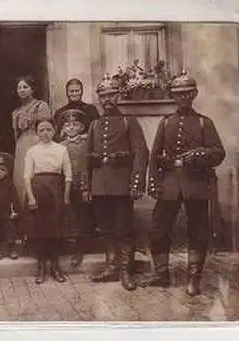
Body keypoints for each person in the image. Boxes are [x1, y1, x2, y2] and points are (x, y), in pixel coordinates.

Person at [140, 70, 225, 296]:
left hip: (196, 184)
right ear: (173, 96)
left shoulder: (204, 122)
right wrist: (154, 182)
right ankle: (161, 274)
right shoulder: (166, 122)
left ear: (194, 94)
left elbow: (219, 153)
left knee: (198, 232)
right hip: (169, 183)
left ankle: (194, 278)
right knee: (158, 229)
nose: (183, 98)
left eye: (187, 93)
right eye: (178, 94)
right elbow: (154, 155)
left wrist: (199, 155)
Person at [87, 74, 149, 291]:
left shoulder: (128, 122)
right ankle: (111, 267)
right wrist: (88, 186)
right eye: (103, 96)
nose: (107, 100)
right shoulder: (94, 124)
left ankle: (126, 271)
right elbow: (88, 157)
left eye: (111, 95)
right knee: (106, 228)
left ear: (118, 96)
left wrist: (136, 183)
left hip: (121, 185)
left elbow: (141, 154)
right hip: (100, 186)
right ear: (99, 99)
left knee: (123, 229)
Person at [24, 119, 72, 284]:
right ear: (37, 132)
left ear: (54, 131)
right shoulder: (32, 151)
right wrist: (30, 197)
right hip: (38, 190)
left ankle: (55, 267)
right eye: (41, 130)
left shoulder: (61, 149)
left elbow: (68, 176)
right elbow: (27, 176)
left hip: (56, 190)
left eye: (48, 129)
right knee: (40, 231)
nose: (45, 133)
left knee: (56, 230)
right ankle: (41, 267)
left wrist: (65, 196)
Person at [57, 108, 92, 268]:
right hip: (64, 186)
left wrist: (86, 187)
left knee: (82, 217)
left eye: (75, 125)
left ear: (81, 128)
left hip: (81, 185)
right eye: (68, 125)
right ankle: (65, 245)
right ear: (63, 128)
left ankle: (80, 248)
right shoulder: (60, 145)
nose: (71, 128)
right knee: (67, 215)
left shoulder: (86, 144)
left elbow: (87, 166)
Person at [12, 76, 52, 208]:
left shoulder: (41, 106)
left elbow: (47, 130)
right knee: (21, 178)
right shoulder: (16, 111)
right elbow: (16, 134)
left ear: (32, 89)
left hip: (37, 142)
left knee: (36, 177)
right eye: (19, 87)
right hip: (21, 145)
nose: (22, 90)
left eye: (25, 87)